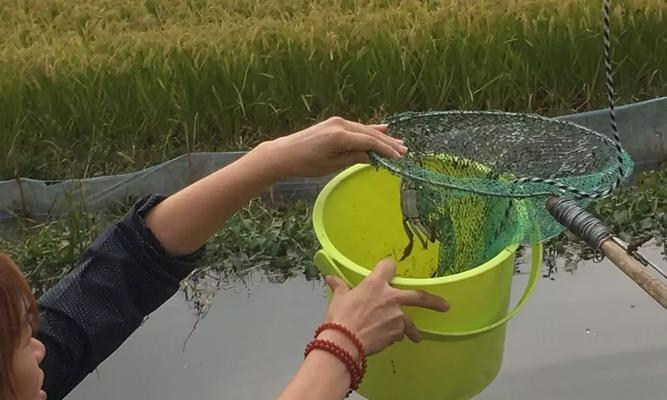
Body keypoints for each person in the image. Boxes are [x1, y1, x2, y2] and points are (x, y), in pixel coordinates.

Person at [0, 116, 450, 400]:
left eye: (28, 330)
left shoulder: (26, 374)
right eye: (22, 342)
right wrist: (342, 347)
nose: (41, 347)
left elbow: (116, 278)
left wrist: (271, 159)